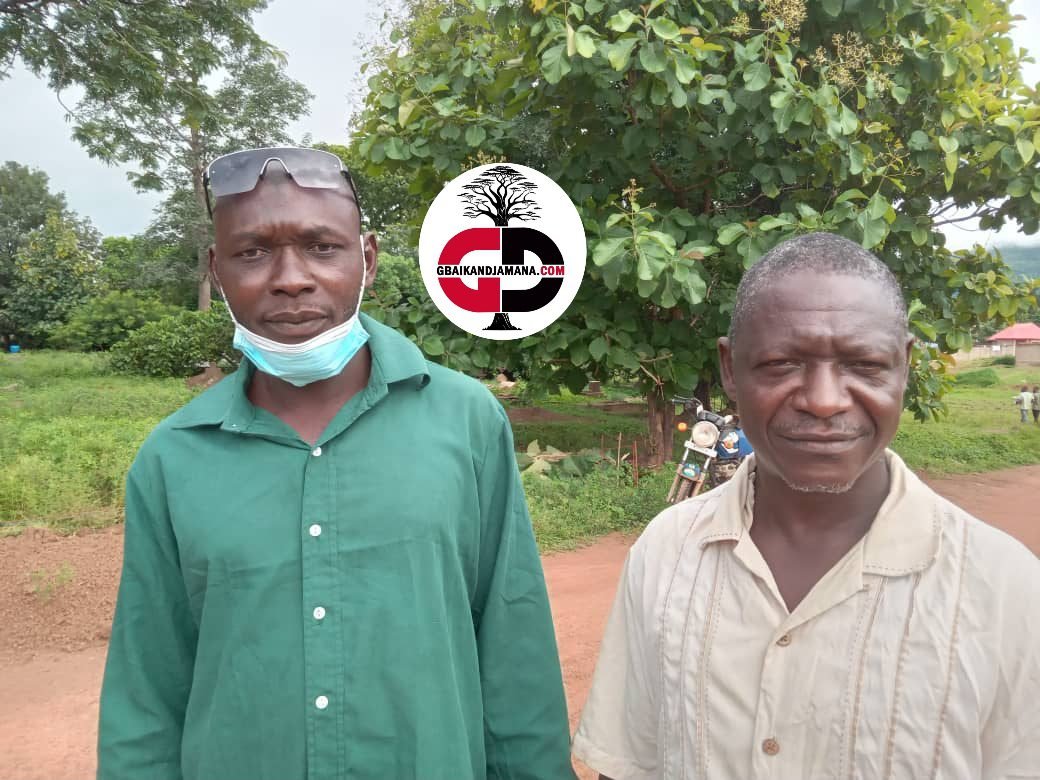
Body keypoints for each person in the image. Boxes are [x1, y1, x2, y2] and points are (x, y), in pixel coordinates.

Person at [97, 147, 575, 780]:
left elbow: (515, 644)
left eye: (322, 247)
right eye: (252, 252)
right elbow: (148, 686)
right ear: (216, 269)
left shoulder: (467, 420)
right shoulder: (172, 457)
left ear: (367, 259)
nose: (290, 278)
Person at [573, 233, 1040, 780]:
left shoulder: (1007, 589)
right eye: (781, 362)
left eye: (864, 363)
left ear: (905, 365)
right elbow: (629, 766)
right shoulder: (666, 554)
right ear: (729, 368)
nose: (823, 401)